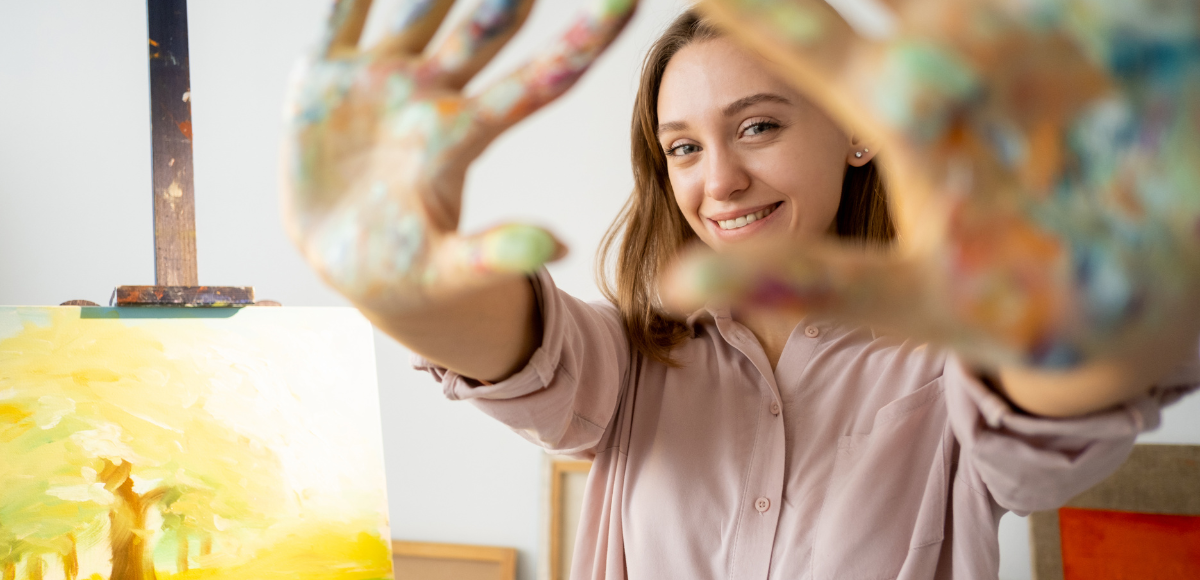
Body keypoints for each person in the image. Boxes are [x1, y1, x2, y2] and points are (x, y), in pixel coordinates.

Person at [281, 1, 1200, 578]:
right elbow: (512, 348)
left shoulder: (953, 362)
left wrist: (1080, 331)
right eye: (683, 146)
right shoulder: (633, 361)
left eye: (756, 126)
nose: (716, 181)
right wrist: (389, 284)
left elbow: (1039, 429)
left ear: (858, 132)